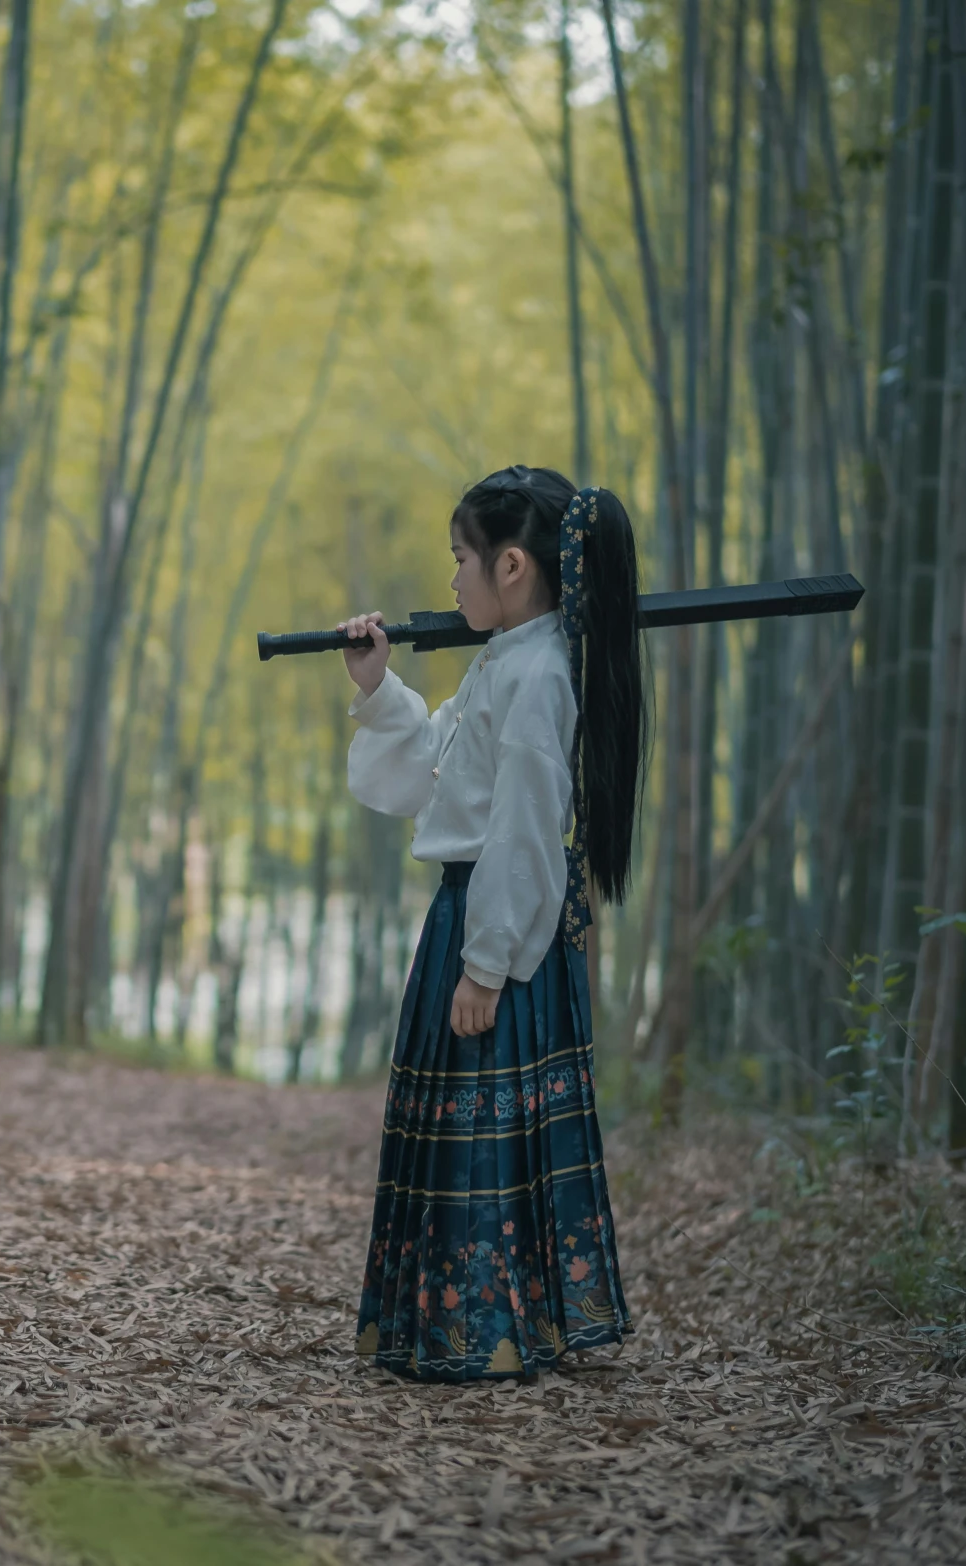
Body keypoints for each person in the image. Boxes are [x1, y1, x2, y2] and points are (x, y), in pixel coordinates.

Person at [334, 465, 646, 1382]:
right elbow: (438, 764)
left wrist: (486, 962)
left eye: (461, 559)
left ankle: (490, 1330)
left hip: (496, 925)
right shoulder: (505, 659)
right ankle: (461, 1326)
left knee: (488, 1131)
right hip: (472, 917)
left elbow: (521, 830)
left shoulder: (540, 673)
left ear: (513, 565)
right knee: (465, 1125)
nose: (452, 579)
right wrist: (378, 686)